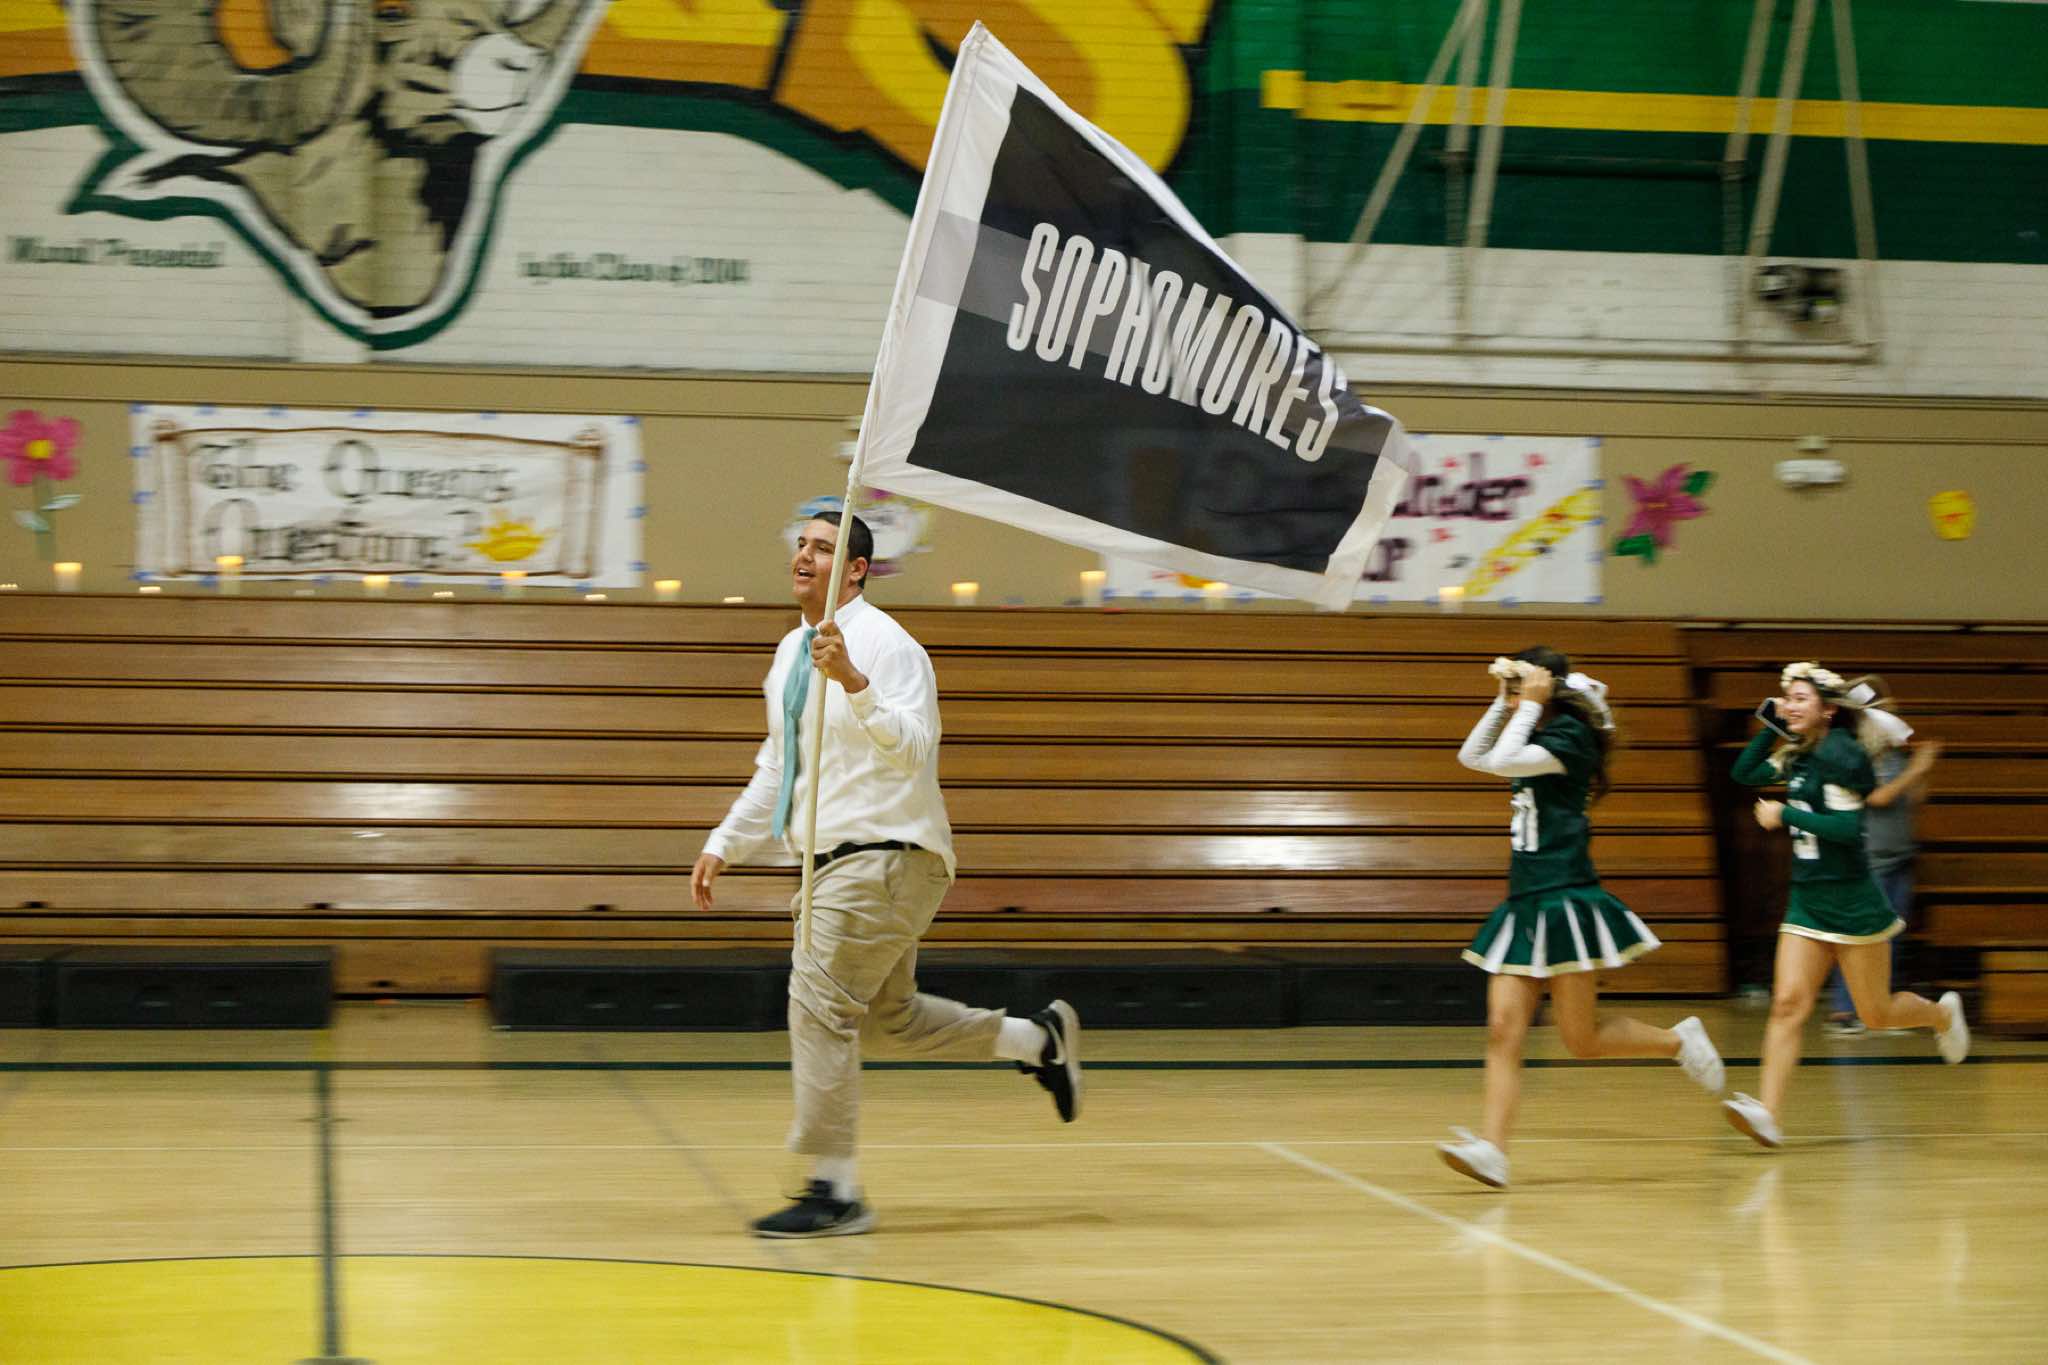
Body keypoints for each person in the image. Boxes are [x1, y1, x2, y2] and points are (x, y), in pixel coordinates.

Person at [691, 509, 1082, 1238]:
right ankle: (1039, 1040)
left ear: (857, 569)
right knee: (886, 1018)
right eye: (800, 544)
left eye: (823, 547)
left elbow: (915, 747)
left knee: (818, 1005)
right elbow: (780, 764)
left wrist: (854, 681)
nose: (804, 556)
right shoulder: (789, 651)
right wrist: (725, 841)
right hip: (831, 863)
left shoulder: (890, 646)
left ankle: (834, 1189)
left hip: (885, 855)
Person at [1436, 647, 1725, 1190]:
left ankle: (1677, 1040)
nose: (1515, 697)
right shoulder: (1532, 726)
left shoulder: (1570, 737)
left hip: (1565, 898)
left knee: (1581, 1040)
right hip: (1524, 902)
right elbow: (1472, 757)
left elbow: (1502, 762)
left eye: (1521, 686)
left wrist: (1528, 703)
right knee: (1502, 1029)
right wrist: (1504, 702)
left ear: (1547, 687)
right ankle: (1493, 1151)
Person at [1722, 662, 1968, 1149]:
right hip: (1807, 900)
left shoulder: (1842, 754)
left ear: (1828, 709)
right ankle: (1769, 1115)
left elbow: (1846, 829)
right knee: (1788, 1004)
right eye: (1787, 697)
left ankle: (1941, 1015)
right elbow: (1744, 772)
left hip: (1853, 901)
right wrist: (1770, 726)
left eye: (1800, 699)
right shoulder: (1798, 751)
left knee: (1876, 1014)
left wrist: (1785, 814)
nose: (1790, 705)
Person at [1823, 715, 1939, 1036]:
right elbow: (1878, 797)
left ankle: (1883, 1010)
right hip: (1870, 863)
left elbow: (1914, 799)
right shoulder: (1856, 759)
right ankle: (1843, 1010)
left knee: (1891, 940)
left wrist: (1922, 772)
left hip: (1900, 860)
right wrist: (1916, 768)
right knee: (1858, 937)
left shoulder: (1896, 760)